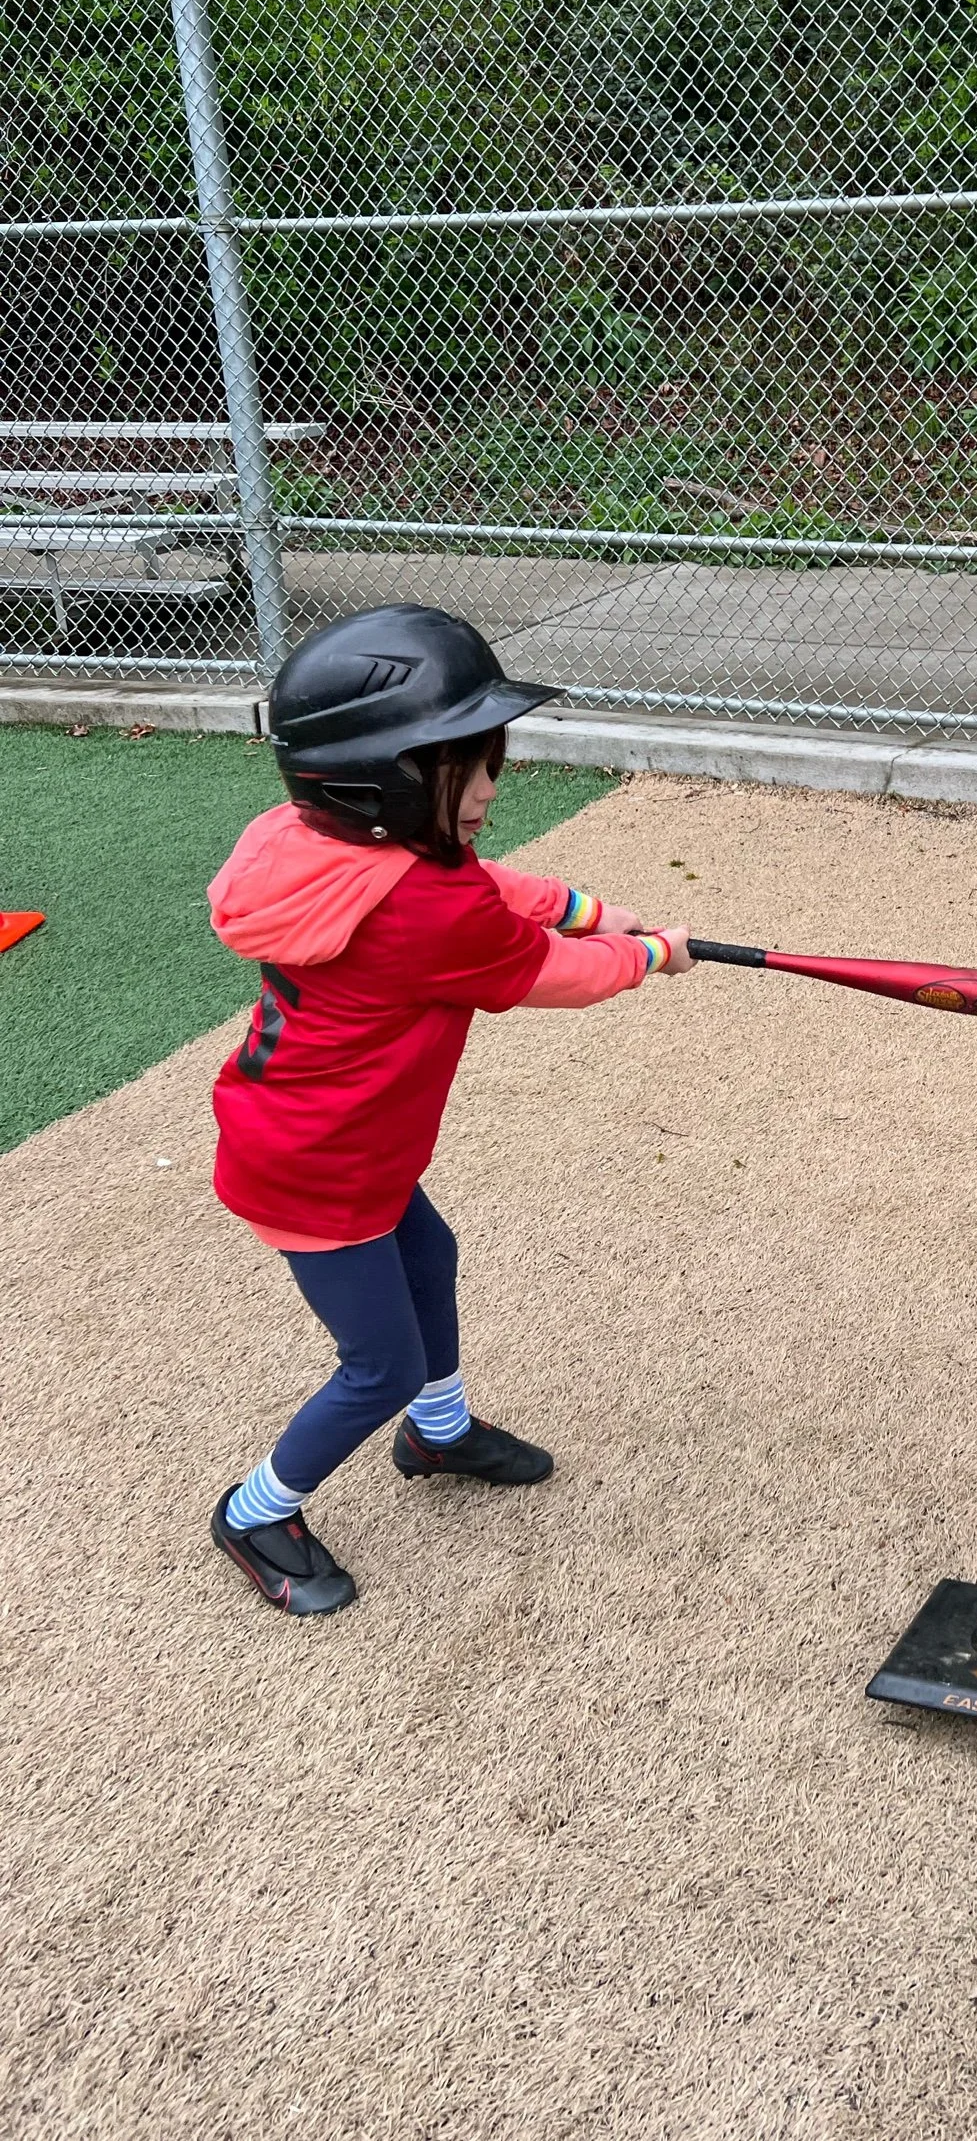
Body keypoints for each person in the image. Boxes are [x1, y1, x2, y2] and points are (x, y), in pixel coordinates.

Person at [206, 602, 693, 1618]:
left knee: (430, 1258)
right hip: (320, 1169)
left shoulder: (313, 840)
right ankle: (256, 1512)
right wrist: (646, 953)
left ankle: (439, 1432)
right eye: (467, 768)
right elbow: (545, 971)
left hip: (331, 1138)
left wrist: (581, 906)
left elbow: (481, 883)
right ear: (380, 783)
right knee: (377, 1367)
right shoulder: (418, 910)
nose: (488, 790)